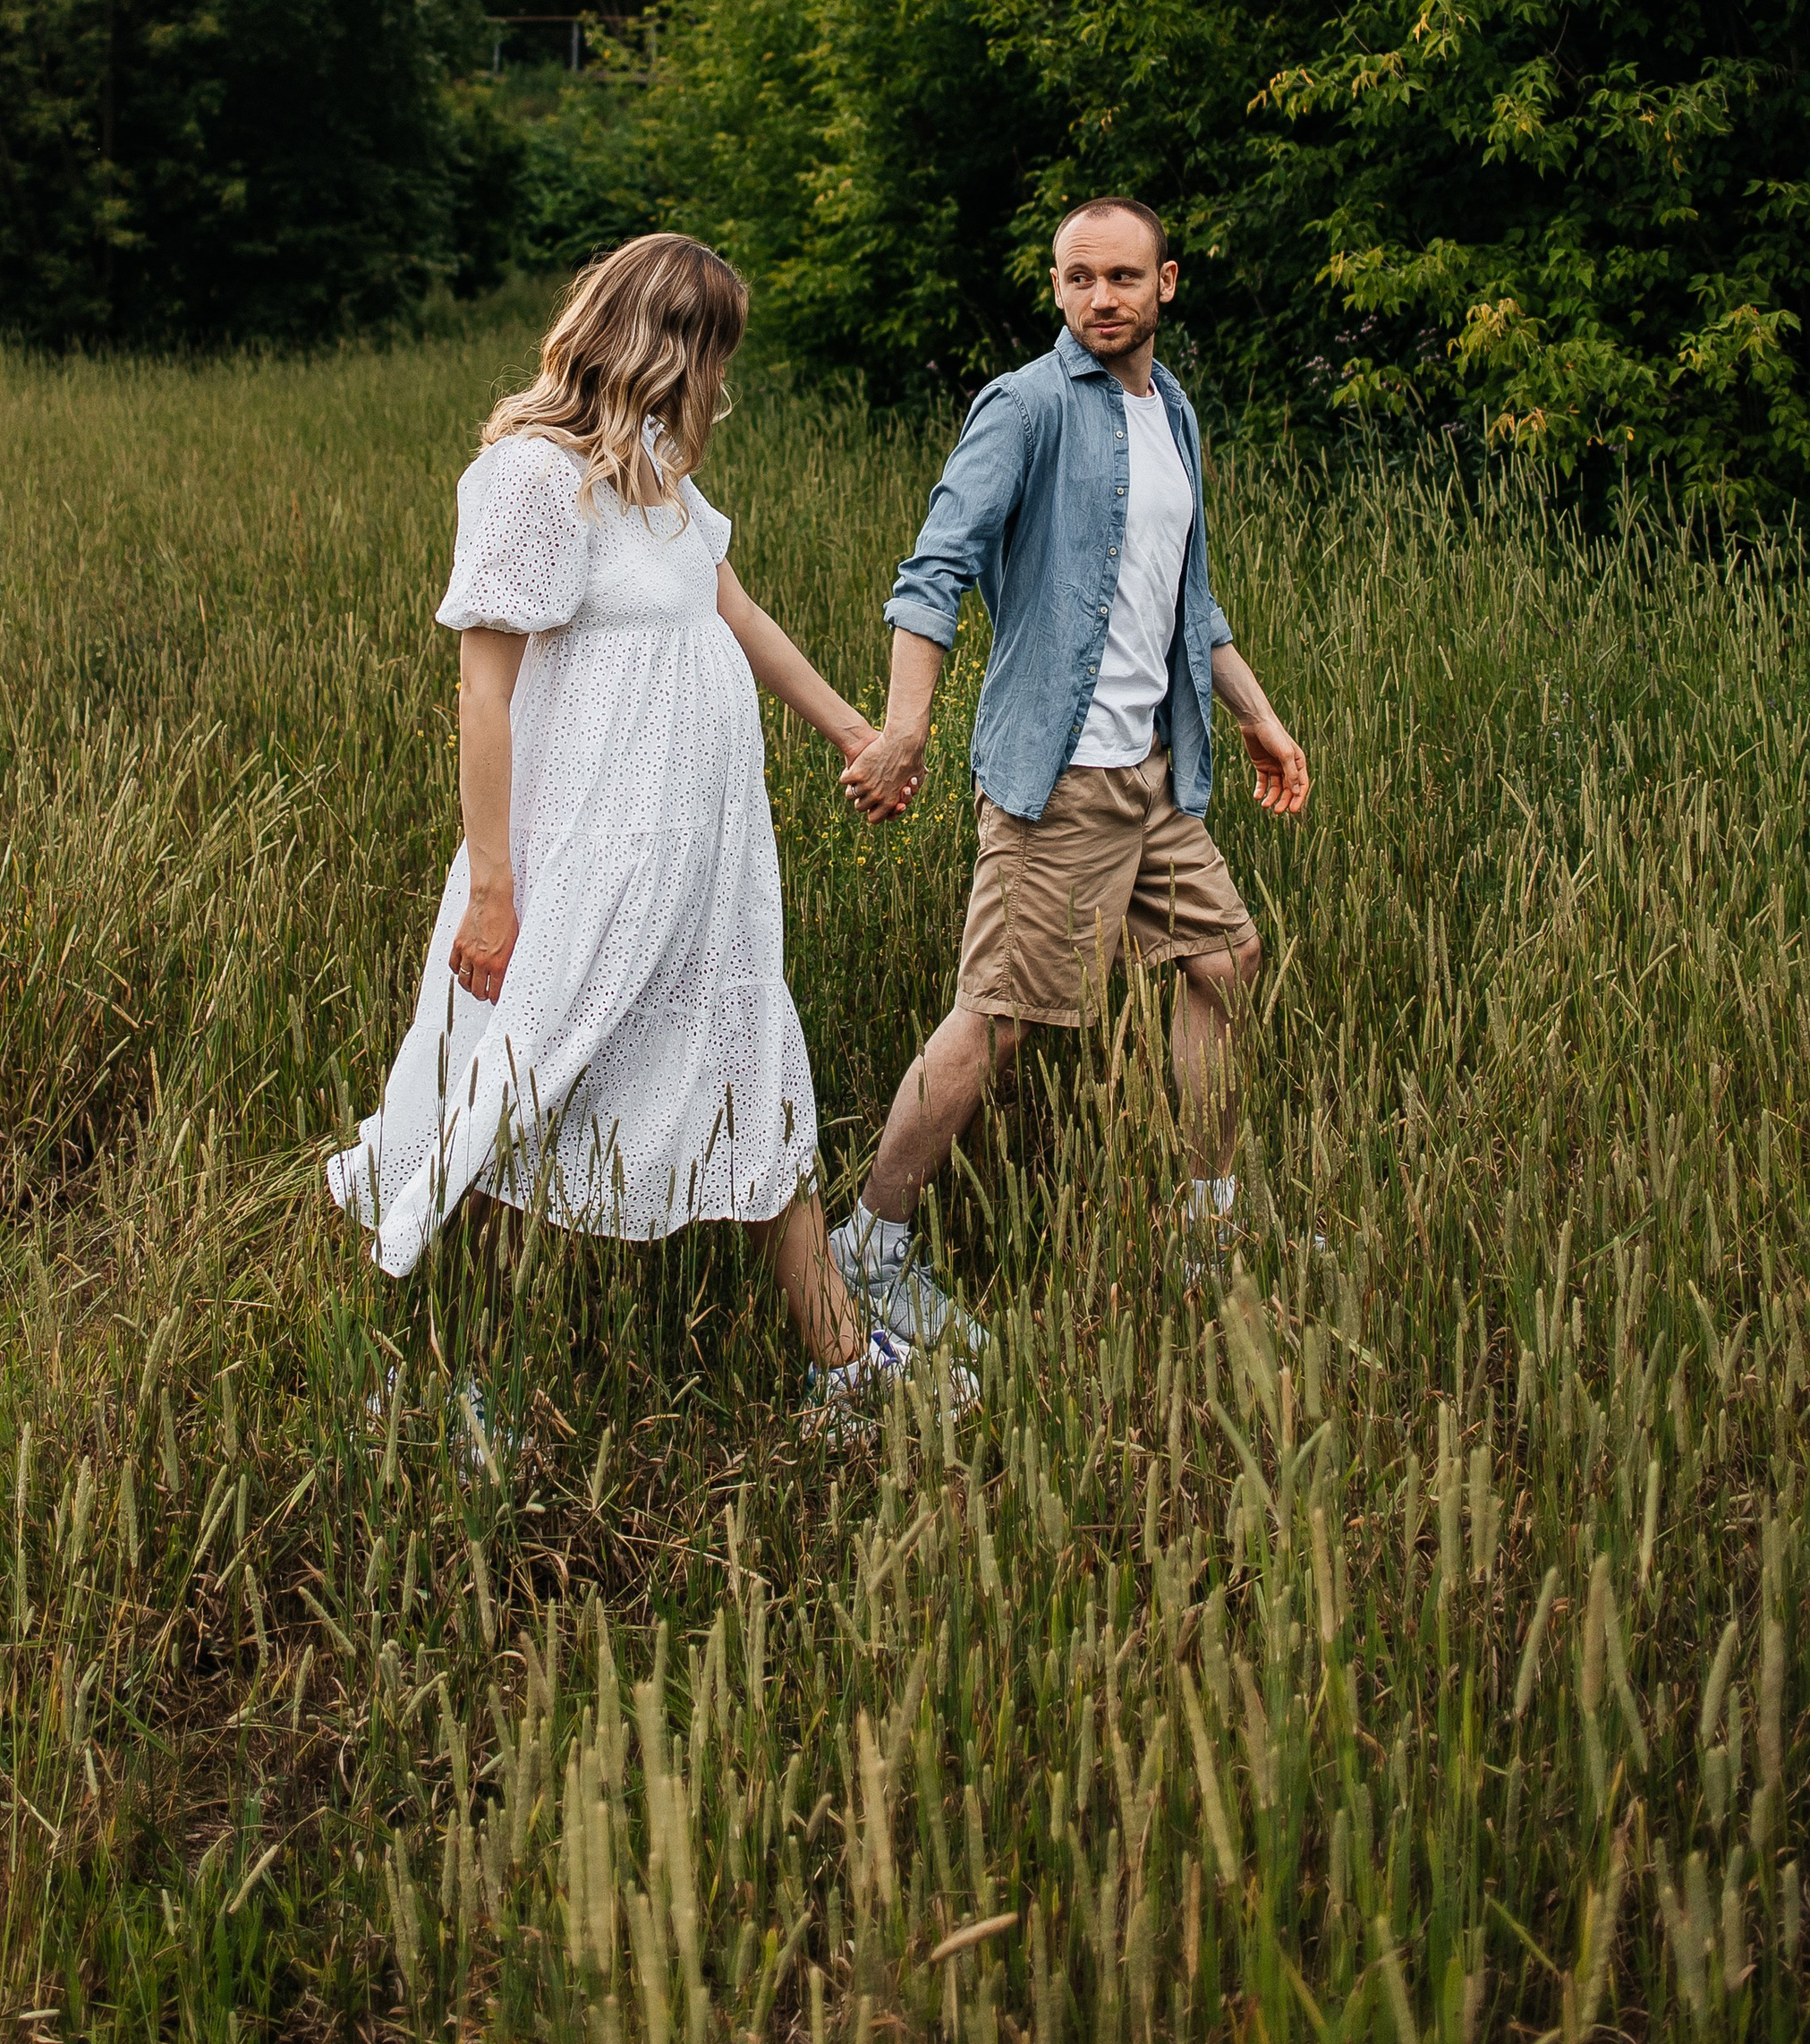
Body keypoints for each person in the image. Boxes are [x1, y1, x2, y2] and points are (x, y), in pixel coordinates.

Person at [328, 231, 915, 1419]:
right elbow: (484, 690)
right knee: (515, 1100)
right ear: (656, 339)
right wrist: (495, 890)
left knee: (752, 1079)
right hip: (579, 860)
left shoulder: (661, 479)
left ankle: (842, 1368)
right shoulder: (530, 478)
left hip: (702, 866)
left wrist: (857, 734)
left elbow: (737, 615)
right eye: (707, 350)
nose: (712, 381)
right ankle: (452, 1384)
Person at [831, 198, 1311, 1337]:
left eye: (1123, 277)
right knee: (996, 1020)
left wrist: (1258, 715)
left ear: (1167, 285)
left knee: (1227, 963)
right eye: (1078, 278)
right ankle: (871, 1243)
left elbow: (1187, 600)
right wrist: (904, 728)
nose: (1102, 297)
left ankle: (1205, 1219)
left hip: (1155, 774)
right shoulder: (1027, 406)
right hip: (1060, 784)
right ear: (1055, 288)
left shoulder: (1174, 412)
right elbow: (931, 572)